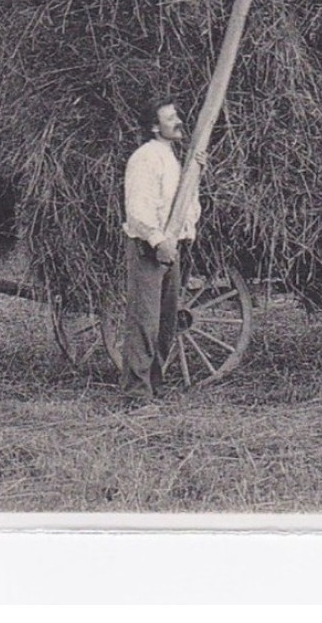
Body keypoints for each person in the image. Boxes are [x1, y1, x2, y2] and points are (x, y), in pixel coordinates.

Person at [119, 97, 202, 409]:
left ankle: (154, 385)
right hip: (148, 249)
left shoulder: (174, 158)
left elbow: (186, 202)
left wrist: (184, 234)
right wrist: (158, 241)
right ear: (155, 127)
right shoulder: (145, 159)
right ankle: (135, 395)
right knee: (145, 323)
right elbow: (138, 209)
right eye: (170, 118)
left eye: (177, 115)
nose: (178, 121)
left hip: (172, 247)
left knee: (167, 323)